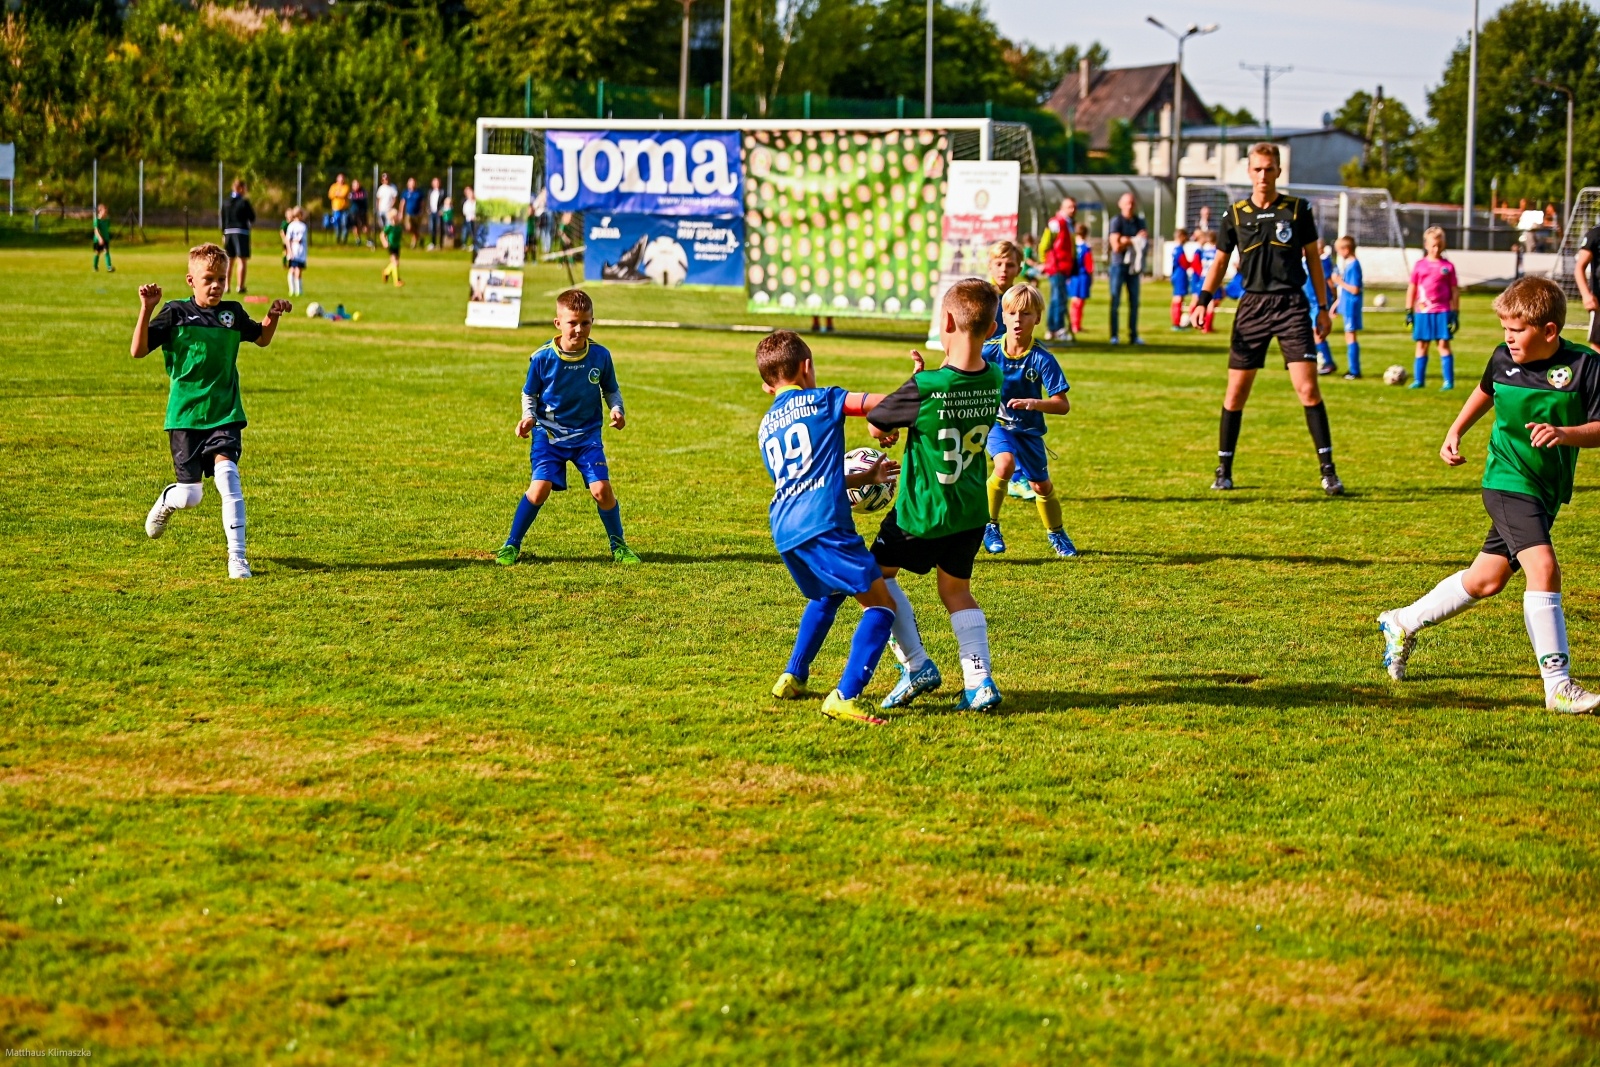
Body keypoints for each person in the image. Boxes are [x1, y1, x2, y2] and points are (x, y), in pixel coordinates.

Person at [1378, 276, 1600, 714]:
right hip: (1506, 481)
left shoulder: (1586, 366)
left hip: (1546, 490)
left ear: (1550, 332)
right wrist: (1455, 430)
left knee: (1486, 579)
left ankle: (1401, 621)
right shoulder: (1502, 359)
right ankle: (1557, 685)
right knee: (1544, 566)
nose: (1507, 339)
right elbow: (1486, 391)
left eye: (1516, 331)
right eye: (1504, 329)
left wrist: (1565, 433)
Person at [851, 279, 1005, 712]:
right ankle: (979, 681)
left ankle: (916, 664)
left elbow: (879, 421)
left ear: (948, 321)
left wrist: (909, 388)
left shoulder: (927, 387)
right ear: (992, 328)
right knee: (956, 590)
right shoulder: (993, 376)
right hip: (970, 510)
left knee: (873, 577)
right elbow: (955, 380)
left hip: (922, 512)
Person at [756, 330, 901, 725]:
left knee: (828, 594)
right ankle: (845, 695)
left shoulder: (767, 425)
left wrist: (864, 476)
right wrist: (884, 425)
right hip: (825, 524)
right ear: (807, 367)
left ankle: (793, 675)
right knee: (880, 606)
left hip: (785, 528)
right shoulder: (824, 398)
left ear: (769, 385)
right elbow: (880, 406)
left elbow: (804, 479)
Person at [1189, 142, 1342, 495]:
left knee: (1308, 388)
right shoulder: (1235, 214)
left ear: (1278, 171)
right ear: (1249, 172)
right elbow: (1220, 262)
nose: (1263, 175)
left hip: (1291, 307)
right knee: (1236, 393)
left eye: (1269, 168)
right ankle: (1223, 469)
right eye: (1257, 169)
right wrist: (1202, 300)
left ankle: (1328, 471)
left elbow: (1314, 261)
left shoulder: (1297, 209)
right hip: (1252, 307)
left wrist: (1322, 306)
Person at [131, 243, 290, 580]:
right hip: (186, 416)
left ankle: (238, 558)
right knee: (190, 496)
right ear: (191, 280)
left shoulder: (231, 314)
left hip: (224, 412)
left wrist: (272, 316)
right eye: (209, 279)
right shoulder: (174, 314)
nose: (216, 285)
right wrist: (147, 308)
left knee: (229, 477)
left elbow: (261, 338)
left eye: (221, 278)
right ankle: (167, 500)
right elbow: (138, 350)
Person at [495, 289, 640, 567]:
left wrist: (617, 409)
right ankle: (511, 544)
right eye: (572, 322)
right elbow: (529, 394)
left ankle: (619, 545)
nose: (579, 329)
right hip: (549, 434)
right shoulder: (541, 358)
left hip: (586, 436)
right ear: (558, 323)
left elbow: (611, 389)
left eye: (585, 323)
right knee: (539, 490)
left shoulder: (600, 355)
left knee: (602, 490)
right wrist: (527, 417)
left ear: (592, 322)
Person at [980, 283, 1076, 559]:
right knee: (1005, 463)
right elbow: (957, 365)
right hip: (997, 425)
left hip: (1029, 430)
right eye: (1011, 313)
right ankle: (990, 525)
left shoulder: (1042, 358)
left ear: (1038, 318)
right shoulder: (990, 351)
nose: (1018, 320)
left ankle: (1056, 532)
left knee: (1041, 486)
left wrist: (1035, 403)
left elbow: (1062, 405)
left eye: (1026, 314)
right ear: (1002, 317)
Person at [1407, 225, 1461, 390]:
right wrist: (1409, 310)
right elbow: (1412, 288)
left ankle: (1448, 381)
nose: (1436, 248)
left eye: (1439, 245)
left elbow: (1454, 291)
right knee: (1422, 345)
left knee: (1443, 344)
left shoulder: (1448, 266)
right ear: (1426, 245)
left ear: (1443, 245)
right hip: (1423, 311)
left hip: (1442, 311)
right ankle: (1419, 380)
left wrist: (1455, 312)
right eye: (1433, 245)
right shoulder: (1419, 265)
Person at [1107, 192, 1147, 345]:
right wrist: (1133, 240)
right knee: (1115, 300)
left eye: (1132, 203)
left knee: (1134, 302)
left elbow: (1143, 241)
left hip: (1133, 267)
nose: (1129, 206)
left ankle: (1133, 335)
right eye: (1127, 203)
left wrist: (1126, 240)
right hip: (1118, 265)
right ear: (1120, 204)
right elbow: (1116, 246)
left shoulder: (1139, 221)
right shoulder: (1116, 221)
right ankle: (1114, 335)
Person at [1038, 196, 1078, 340]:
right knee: (1059, 298)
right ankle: (1057, 328)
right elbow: (1044, 244)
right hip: (1057, 266)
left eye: (1074, 207)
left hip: (1065, 266)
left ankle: (1053, 328)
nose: (1073, 210)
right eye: (1069, 207)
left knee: (1058, 297)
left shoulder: (1069, 224)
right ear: (1062, 208)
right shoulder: (1057, 223)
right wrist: (1046, 262)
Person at [1304, 240, 1338, 375]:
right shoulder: (1305, 261)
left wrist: (1334, 296)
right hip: (1309, 303)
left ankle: (1328, 362)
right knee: (1310, 334)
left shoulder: (1323, 262)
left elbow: (1329, 281)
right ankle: (1318, 361)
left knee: (1317, 333)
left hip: (1319, 302)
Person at [1333, 235, 1364, 379]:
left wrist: (1339, 281)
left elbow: (1355, 289)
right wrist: (1336, 304)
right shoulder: (1349, 265)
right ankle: (1353, 369)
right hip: (1347, 304)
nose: (1338, 253)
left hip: (1352, 306)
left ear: (1346, 249)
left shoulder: (1354, 265)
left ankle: (1354, 371)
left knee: (1351, 336)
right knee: (1348, 336)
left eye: (1339, 250)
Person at [221, 178, 255, 294]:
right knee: (242, 260)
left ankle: (226, 286)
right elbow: (252, 217)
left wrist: (223, 233)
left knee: (229, 260)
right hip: (241, 232)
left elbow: (223, 218)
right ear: (240, 188)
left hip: (228, 232)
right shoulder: (244, 202)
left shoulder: (225, 202)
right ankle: (240, 286)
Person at [986, 240, 1023, 339]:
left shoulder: (1021, 300)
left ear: (1019, 270)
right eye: (998, 264)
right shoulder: (980, 297)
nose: (1003, 269)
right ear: (990, 267)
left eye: (1010, 265)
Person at [1066, 223, 1093, 336]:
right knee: (1079, 302)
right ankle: (1075, 325)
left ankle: (1075, 324)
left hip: (1072, 276)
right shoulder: (1086, 248)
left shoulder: (1071, 246)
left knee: (1075, 301)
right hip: (1082, 277)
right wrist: (1091, 276)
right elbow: (1089, 265)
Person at [1168, 227, 1196, 330]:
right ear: (1182, 237)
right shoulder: (1179, 249)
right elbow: (1184, 263)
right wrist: (1194, 262)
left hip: (1176, 274)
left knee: (1177, 298)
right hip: (1180, 275)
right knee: (1179, 298)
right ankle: (1176, 323)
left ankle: (1176, 322)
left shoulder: (1175, 249)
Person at [283, 206, 308, 297]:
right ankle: (298, 290)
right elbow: (300, 239)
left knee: (291, 270)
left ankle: (291, 290)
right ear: (301, 215)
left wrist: (289, 250)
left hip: (292, 250)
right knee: (298, 270)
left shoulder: (291, 225)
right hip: (300, 251)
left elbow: (287, 239)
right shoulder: (302, 226)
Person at [380, 208, 404, 287]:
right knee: (395, 263)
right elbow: (382, 235)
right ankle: (396, 281)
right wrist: (385, 242)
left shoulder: (399, 227)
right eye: (396, 216)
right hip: (391, 247)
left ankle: (386, 272)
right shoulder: (389, 227)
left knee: (395, 263)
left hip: (397, 247)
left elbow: (400, 236)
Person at [401, 177, 425, 249]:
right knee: (409, 228)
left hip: (417, 214)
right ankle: (420, 237)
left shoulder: (419, 193)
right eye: (411, 182)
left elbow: (422, 203)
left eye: (414, 182)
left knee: (416, 228)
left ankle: (413, 244)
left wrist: (422, 211)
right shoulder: (405, 193)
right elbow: (402, 203)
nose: (412, 184)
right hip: (408, 213)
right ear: (408, 184)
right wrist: (401, 213)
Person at [375, 173, 398, 244]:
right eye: (384, 179)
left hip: (389, 211)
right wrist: (377, 208)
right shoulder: (381, 188)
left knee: (388, 226)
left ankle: (388, 240)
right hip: (381, 210)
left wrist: (391, 206)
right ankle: (385, 240)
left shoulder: (393, 187)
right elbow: (378, 199)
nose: (386, 180)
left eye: (387, 179)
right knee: (383, 226)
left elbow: (395, 198)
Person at [327, 173, 350, 244]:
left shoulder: (346, 186)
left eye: (342, 178)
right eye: (340, 178)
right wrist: (337, 194)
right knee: (337, 224)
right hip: (336, 209)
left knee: (344, 223)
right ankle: (338, 239)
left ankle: (344, 239)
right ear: (337, 179)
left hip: (344, 209)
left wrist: (337, 194)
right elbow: (330, 195)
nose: (341, 180)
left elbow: (344, 194)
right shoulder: (333, 186)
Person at [92, 203, 114, 273]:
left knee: (106, 252)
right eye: (104, 211)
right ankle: (95, 266)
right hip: (98, 240)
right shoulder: (97, 220)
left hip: (106, 239)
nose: (106, 212)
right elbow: (96, 230)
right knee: (97, 253)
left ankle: (109, 267)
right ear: (100, 211)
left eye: (106, 211)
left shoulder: (107, 220)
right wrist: (100, 238)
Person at [348, 179, 369, 247]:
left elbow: (363, 198)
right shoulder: (351, 193)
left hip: (362, 211)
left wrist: (358, 198)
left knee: (364, 226)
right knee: (355, 226)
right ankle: (358, 240)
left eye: (357, 184)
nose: (356, 186)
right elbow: (352, 199)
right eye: (354, 184)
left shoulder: (363, 192)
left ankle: (368, 239)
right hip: (354, 212)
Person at [427, 177, 444, 250]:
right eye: (435, 182)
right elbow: (428, 201)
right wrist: (428, 208)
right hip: (432, 212)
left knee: (440, 228)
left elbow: (445, 202)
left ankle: (440, 244)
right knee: (432, 228)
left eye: (437, 182)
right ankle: (432, 243)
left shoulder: (443, 192)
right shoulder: (430, 191)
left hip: (439, 212)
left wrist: (442, 210)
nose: (436, 184)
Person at [461, 186, 478, 255]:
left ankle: (474, 244)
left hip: (475, 219)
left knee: (475, 233)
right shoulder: (466, 202)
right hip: (468, 219)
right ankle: (465, 244)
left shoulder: (476, 202)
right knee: (469, 232)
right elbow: (465, 211)